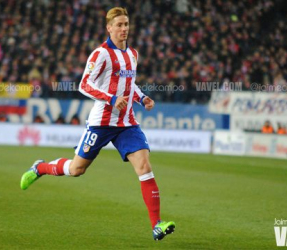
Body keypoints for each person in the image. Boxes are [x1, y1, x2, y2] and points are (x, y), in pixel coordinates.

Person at [20, 7, 175, 241]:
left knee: (144, 167)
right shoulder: (100, 54)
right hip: (101, 123)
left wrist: (141, 98)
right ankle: (41, 168)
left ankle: (157, 225)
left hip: (126, 123)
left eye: (126, 24)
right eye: (119, 25)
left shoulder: (132, 54)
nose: (124, 29)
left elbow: (129, 84)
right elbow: (84, 85)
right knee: (76, 170)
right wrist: (112, 99)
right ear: (109, 28)